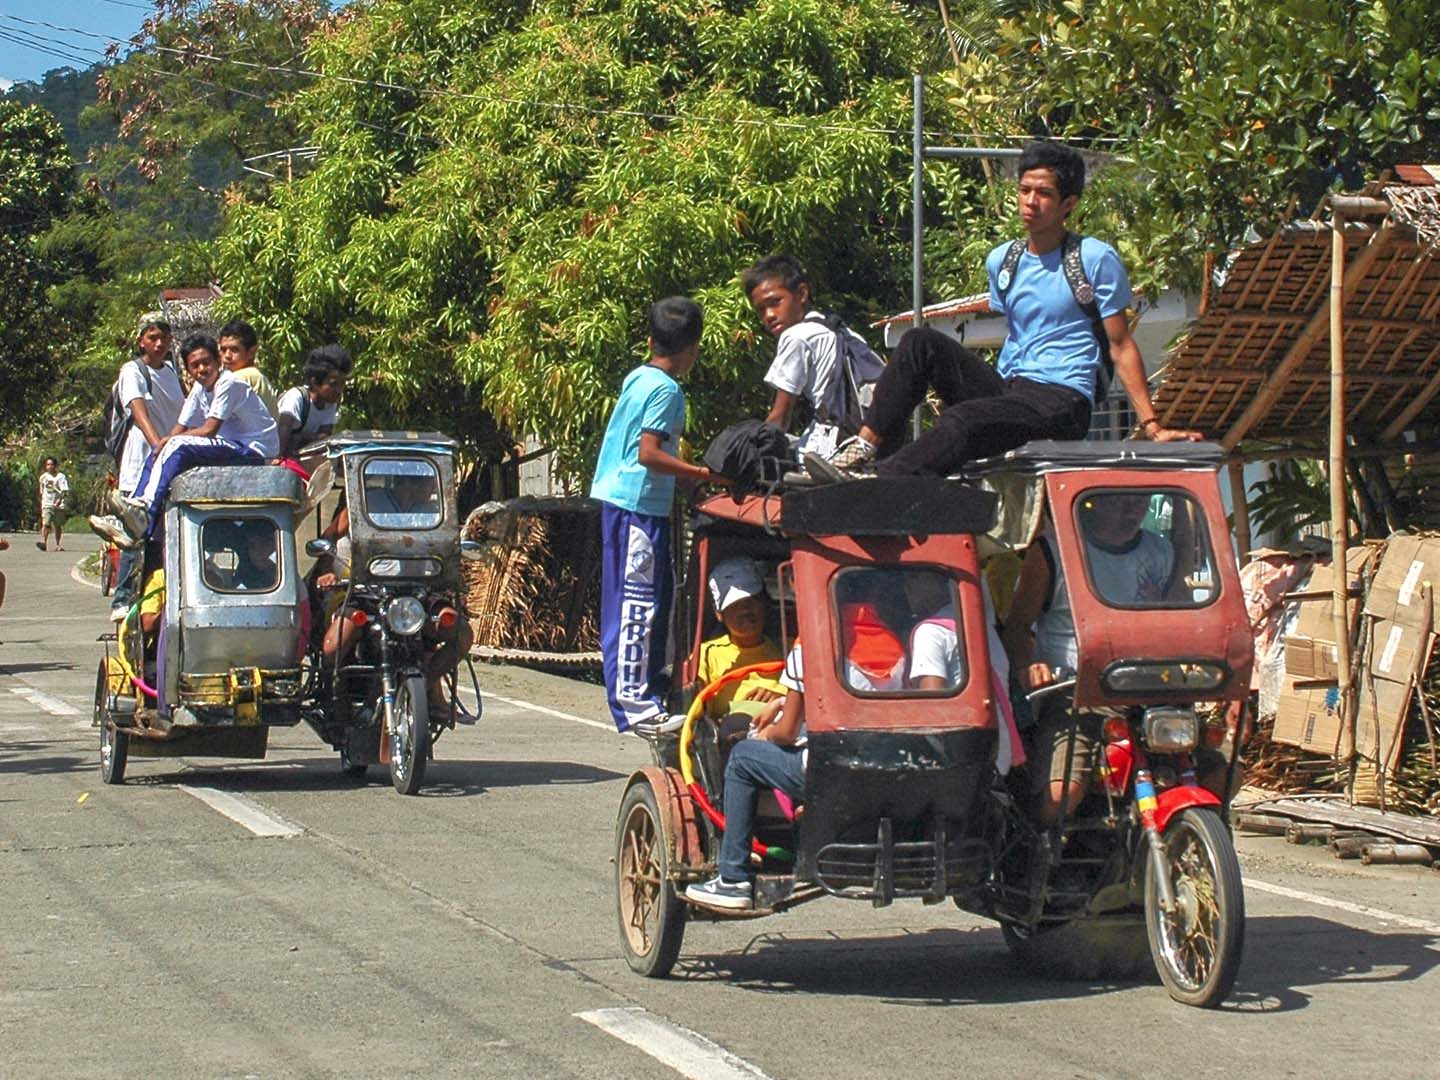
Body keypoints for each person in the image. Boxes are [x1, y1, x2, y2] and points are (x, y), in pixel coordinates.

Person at [806, 142, 1200, 482]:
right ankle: (864, 449)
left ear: (1069, 204)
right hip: (1012, 388)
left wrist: (1151, 425)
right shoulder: (1004, 261)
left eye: (1043, 193)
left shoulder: (1093, 258)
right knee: (919, 342)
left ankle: (882, 483)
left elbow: (1120, 344)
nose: (1031, 201)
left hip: (1063, 400)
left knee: (963, 421)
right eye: (1025, 190)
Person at [1002, 492, 1222, 826]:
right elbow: (1017, 625)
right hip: (1077, 695)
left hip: (1153, 693)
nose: (1134, 508)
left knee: (1222, 773)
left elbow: (1178, 612)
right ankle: (1042, 862)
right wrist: (1027, 666)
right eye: (1120, 500)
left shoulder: (1160, 550)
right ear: (1092, 501)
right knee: (1060, 796)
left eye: (1140, 500)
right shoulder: (1053, 552)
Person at [591, 296, 724, 736]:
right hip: (637, 506)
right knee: (637, 607)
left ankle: (646, 687)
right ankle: (634, 705)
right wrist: (705, 473)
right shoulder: (667, 391)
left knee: (649, 600)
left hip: (627, 503)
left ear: (650, 341)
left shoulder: (639, 376)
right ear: (694, 349)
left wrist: (689, 484)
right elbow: (649, 454)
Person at [91, 335, 279, 548]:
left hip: (255, 451)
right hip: (231, 446)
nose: (202, 369)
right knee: (161, 449)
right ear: (188, 370)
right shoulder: (200, 388)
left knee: (176, 446)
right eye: (195, 366)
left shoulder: (229, 383)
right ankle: (129, 519)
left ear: (218, 361)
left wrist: (171, 440)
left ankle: (145, 510)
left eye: (206, 363)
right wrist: (162, 445)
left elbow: (209, 430)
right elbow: (180, 426)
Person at [685, 641, 808, 911]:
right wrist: (781, 702)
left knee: (742, 756)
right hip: (893, 760)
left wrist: (767, 734)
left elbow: (786, 732)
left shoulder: (811, 644)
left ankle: (732, 878)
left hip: (817, 766)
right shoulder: (896, 643)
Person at [742, 254, 886, 461]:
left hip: (830, 449)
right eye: (761, 310)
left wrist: (750, 454)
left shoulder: (796, 336)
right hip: (869, 442)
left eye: (775, 302)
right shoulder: (842, 331)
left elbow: (780, 418)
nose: (769, 315)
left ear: (802, 293)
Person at [104, 315, 186, 620]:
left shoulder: (171, 373)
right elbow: (138, 410)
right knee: (133, 532)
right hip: (141, 461)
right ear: (141, 341)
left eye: (164, 337)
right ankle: (122, 599)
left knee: (160, 536)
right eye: (153, 337)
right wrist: (157, 446)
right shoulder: (133, 371)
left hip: (166, 464)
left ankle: (155, 595)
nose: (160, 343)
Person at [696, 557, 785, 743]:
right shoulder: (706, 654)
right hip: (738, 732)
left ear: (764, 605)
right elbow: (695, 708)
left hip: (790, 725)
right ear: (719, 614)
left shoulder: (789, 648)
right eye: (735, 605)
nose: (745, 610)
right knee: (735, 728)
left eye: (752, 601)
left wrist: (783, 699)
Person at [277, 344, 351, 461]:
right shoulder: (297, 397)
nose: (339, 390)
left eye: (342, 384)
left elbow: (324, 439)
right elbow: (282, 433)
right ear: (315, 382)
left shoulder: (330, 404)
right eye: (333, 384)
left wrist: (301, 438)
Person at [218, 320, 280, 419]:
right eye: (223, 349)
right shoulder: (256, 376)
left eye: (234, 350)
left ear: (252, 352)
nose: (227, 356)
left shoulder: (244, 376)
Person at [36, 457, 70, 552]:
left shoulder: (61, 476)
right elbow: (41, 491)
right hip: (47, 504)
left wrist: (60, 499)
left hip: (58, 505)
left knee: (57, 525)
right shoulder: (43, 477)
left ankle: (57, 544)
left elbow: (65, 491)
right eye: (48, 464)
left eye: (51, 464)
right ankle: (43, 542)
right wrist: (41, 501)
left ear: (55, 466)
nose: (50, 466)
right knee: (46, 524)